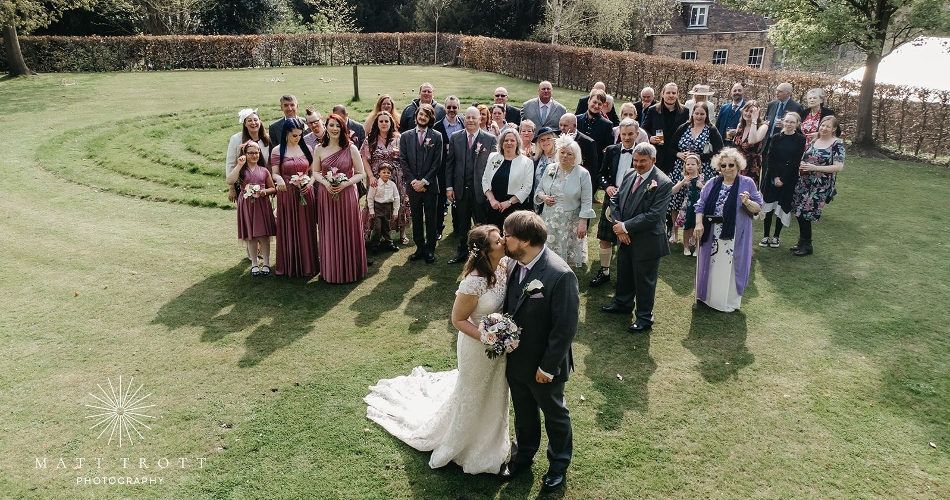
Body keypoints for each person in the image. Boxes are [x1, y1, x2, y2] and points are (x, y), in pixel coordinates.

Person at [365, 225, 512, 474]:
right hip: (477, 347)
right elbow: (458, 320)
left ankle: (490, 444)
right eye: (498, 241)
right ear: (485, 252)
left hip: (497, 348)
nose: (504, 242)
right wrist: (487, 337)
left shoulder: (504, 265)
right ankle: (462, 444)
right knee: (472, 395)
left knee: (495, 392)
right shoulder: (473, 282)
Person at [498, 211, 579, 493]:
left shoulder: (560, 275)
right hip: (516, 359)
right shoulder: (512, 263)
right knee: (523, 412)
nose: (503, 239)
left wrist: (547, 367)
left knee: (555, 415)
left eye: (507, 235)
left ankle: (558, 465)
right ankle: (522, 456)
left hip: (544, 365)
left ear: (524, 240)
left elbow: (565, 328)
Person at [601, 143, 672, 333]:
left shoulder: (663, 182)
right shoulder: (629, 174)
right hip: (624, 237)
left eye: (643, 161)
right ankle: (622, 304)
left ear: (653, 160)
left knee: (644, 280)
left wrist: (624, 227)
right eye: (635, 160)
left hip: (647, 240)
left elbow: (654, 215)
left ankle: (644, 317)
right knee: (624, 272)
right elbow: (615, 199)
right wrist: (620, 228)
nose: (638, 164)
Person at [693, 149, 763, 312]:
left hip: (735, 233)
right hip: (712, 232)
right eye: (723, 165)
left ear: (738, 165)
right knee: (713, 265)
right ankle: (709, 298)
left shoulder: (747, 183)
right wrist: (698, 223)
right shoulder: (712, 183)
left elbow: (758, 208)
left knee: (730, 267)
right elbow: (700, 204)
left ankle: (727, 301)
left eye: (731, 165)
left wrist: (747, 202)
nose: (727, 168)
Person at [313, 113, 368, 283]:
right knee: (330, 230)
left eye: (338, 126)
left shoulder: (351, 148)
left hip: (347, 194)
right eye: (331, 125)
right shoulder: (319, 149)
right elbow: (315, 172)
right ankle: (331, 270)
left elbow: (361, 173)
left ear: (343, 128)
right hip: (327, 195)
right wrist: (325, 182)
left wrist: (345, 183)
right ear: (326, 127)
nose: (334, 129)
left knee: (348, 229)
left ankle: (351, 269)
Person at [591, 118, 640, 288]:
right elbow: (601, 174)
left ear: (637, 134)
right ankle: (604, 272)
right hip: (611, 197)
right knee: (605, 237)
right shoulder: (612, 150)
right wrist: (607, 186)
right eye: (623, 134)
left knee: (627, 239)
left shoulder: (642, 152)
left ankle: (625, 277)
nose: (626, 137)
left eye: (630, 134)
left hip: (632, 199)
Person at [446, 106, 498, 264]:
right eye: (467, 117)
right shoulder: (455, 137)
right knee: (463, 224)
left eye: (474, 117)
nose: (470, 120)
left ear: (479, 119)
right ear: (464, 119)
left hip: (480, 190)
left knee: (481, 224)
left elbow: (493, 167)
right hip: (460, 189)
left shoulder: (489, 139)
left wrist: (490, 191)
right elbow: (450, 164)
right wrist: (449, 187)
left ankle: (483, 254)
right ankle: (462, 253)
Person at [534, 136, 596, 268]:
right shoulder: (550, 168)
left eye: (569, 154)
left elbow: (587, 201)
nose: (565, 156)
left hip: (570, 220)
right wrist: (544, 197)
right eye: (562, 152)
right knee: (548, 252)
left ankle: (566, 275)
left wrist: (583, 223)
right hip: (549, 218)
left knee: (567, 253)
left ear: (576, 156)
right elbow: (539, 189)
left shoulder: (582, 174)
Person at [668, 102, 723, 245]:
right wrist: (679, 154)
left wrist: (700, 157)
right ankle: (674, 232)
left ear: (707, 115)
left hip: (702, 170)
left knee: (696, 201)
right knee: (676, 201)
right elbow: (671, 147)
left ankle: (694, 234)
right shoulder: (684, 127)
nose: (699, 116)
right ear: (692, 113)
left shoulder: (711, 130)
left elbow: (719, 150)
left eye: (702, 114)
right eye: (696, 113)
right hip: (681, 169)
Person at [791, 115, 845, 256]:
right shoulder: (814, 140)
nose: (824, 128)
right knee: (798, 211)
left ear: (834, 128)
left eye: (828, 126)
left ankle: (807, 245)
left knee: (806, 212)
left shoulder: (837, 144)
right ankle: (801, 242)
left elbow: (838, 167)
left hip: (820, 184)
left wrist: (815, 168)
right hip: (804, 181)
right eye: (822, 125)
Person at [271, 119, 318, 277]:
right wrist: (279, 179)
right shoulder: (277, 150)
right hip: (287, 194)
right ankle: (290, 264)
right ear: (286, 133)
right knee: (289, 227)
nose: (298, 138)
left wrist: (309, 184)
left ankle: (308, 264)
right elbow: (274, 173)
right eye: (294, 135)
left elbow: (313, 172)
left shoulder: (307, 149)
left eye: (300, 135)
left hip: (305, 192)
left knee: (306, 227)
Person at [399, 103, 443, 264]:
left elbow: (437, 162)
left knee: (431, 218)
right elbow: (403, 160)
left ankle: (430, 249)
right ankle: (419, 247)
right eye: (420, 114)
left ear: (430, 118)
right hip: (413, 186)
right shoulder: (406, 136)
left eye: (426, 115)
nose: (423, 117)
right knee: (416, 218)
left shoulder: (436, 136)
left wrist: (424, 181)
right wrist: (413, 181)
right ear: (416, 116)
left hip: (430, 186)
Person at [226, 141, 276, 275]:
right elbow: (230, 180)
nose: (254, 155)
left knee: (264, 236)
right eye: (251, 153)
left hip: (262, 205)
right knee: (251, 236)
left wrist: (264, 192)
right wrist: (239, 165)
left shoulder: (264, 170)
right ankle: (254, 263)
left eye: (256, 152)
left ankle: (266, 263)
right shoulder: (241, 170)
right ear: (245, 154)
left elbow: (273, 188)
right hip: (247, 205)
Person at [361, 110, 411, 246]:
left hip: (396, 176)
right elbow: (364, 158)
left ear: (391, 123)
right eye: (381, 121)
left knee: (399, 201)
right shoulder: (370, 139)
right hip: (376, 176)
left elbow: (406, 157)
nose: (384, 123)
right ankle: (370, 231)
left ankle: (402, 233)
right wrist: (370, 176)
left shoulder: (399, 138)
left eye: (386, 121)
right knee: (374, 201)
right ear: (377, 123)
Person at [760, 112, 806, 249]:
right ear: (783, 122)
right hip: (772, 177)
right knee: (768, 207)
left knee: (781, 207)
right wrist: (775, 177)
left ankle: (776, 237)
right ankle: (765, 235)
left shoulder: (800, 139)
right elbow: (770, 158)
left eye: (792, 122)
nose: (788, 124)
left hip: (788, 178)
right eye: (787, 121)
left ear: (797, 124)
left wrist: (783, 179)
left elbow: (795, 161)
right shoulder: (776, 137)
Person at [482, 128, 533, 229]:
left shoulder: (527, 162)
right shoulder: (493, 157)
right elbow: (485, 179)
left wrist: (509, 202)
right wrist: (492, 200)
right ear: (501, 143)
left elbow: (527, 187)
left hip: (515, 206)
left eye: (512, 140)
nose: (509, 143)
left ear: (517, 143)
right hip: (494, 205)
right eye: (506, 140)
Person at [433, 96, 465, 240]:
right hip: (442, 169)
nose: (452, 110)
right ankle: (438, 228)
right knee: (440, 200)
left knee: (459, 198)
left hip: (460, 168)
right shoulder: (437, 127)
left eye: (454, 107)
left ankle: (458, 227)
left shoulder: (464, 124)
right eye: (449, 107)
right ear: (445, 108)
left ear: (458, 108)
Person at [641, 82, 689, 177]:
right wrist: (650, 138)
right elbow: (643, 129)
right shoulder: (653, 110)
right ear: (662, 94)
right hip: (658, 153)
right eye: (668, 93)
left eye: (674, 93)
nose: (671, 95)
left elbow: (687, 132)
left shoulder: (684, 111)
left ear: (677, 95)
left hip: (675, 155)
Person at [226, 108, 271, 203]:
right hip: (243, 183)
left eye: (255, 120)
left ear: (260, 121)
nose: (253, 123)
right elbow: (230, 163)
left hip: (262, 183)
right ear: (245, 124)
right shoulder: (236, 139)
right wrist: (232, 188)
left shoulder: (267, 138)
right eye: (249, 120)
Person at [671, 154, 705, 256]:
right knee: (686, 226)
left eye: (692, 164)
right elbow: (673, 191)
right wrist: (682, 182)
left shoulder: (702, 177)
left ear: (698, 166)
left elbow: (709, 192)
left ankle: (697, 247)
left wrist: (702, 186)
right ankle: (686, 247)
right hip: (687, 205)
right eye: (688, 164)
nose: (690, 166)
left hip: (699, 206)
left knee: (697, 225)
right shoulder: (684, 177)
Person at [732, 100, 768, 188]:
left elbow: (751, 141)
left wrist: (754, 120)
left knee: (746, 192)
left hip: (751, 166)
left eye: (751, 112)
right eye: (746, 110)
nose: (748, 114)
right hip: (737, 164)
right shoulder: (740, 125)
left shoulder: (763, 127)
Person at [365, 163, 400, 254]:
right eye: (384, 172)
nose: (386, 174)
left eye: (388, 172)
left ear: (391, 174)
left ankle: (389, 243)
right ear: (379, 173)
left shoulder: (392, 185)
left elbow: (396, 198)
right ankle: (375, 244)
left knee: (387, 226)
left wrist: (395, 212)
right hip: (378, 208)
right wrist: (371, 210)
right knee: (377, 227)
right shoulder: (375, 184)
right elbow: (370, 198)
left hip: (388, 208)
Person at [762, 82, 805, 153]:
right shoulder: (772, 104)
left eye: (780, 91)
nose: (777, 93)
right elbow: (765, 119)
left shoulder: (797, 107)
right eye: (776, 90)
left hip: (784, 143)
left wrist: (785, 124)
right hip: (768, 142)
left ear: (788, 93)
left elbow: (799, 126)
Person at [575, 88, 614, 156]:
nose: (596, 106)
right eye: (594, 102)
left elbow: (607, 149)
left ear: (602, 106)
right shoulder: (576, 120)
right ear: (589, 101)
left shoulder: (607, 125)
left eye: (600, 104)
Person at [531, 126, 559, 213]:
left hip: (554, 201)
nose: (545, 142)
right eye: (542, 140)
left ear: (554, 139)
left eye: (548, 138)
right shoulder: (536, 158)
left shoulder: (560, 157)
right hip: (537, 199)